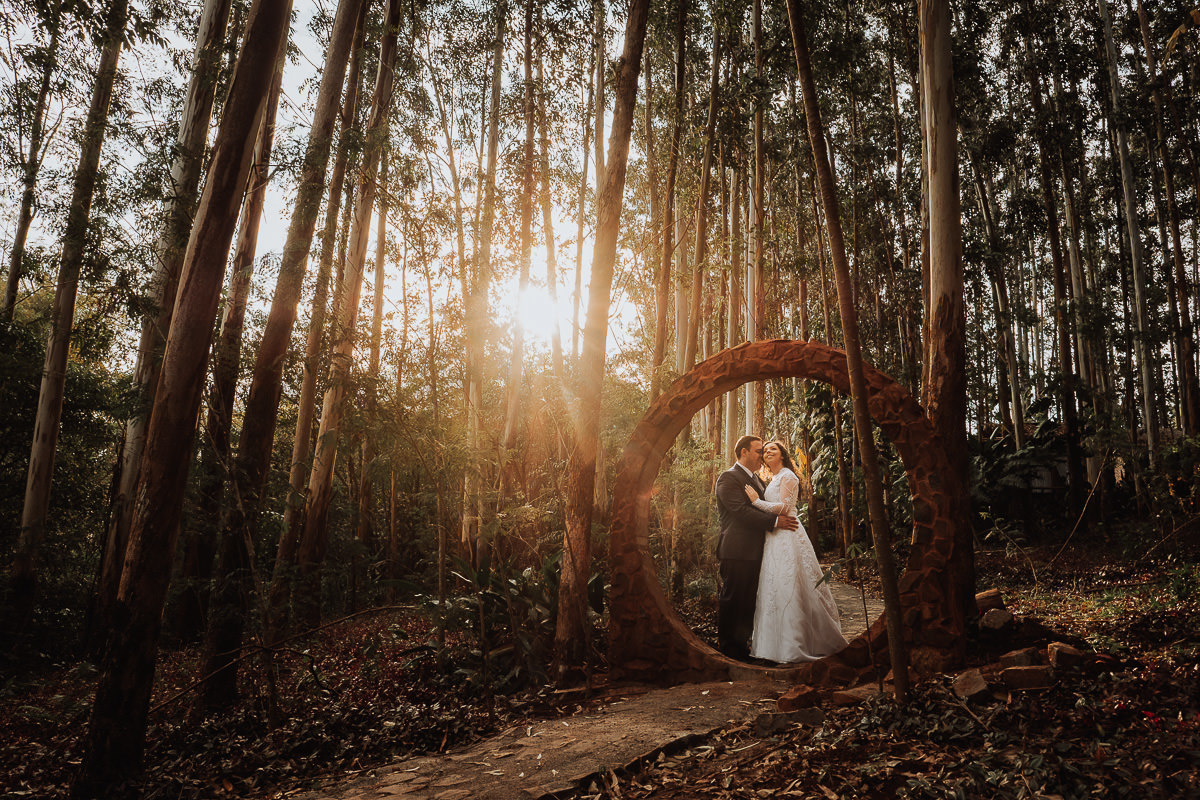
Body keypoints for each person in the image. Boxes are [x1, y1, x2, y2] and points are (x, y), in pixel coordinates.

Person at [744, 441, 845, 663]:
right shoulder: (774, 478)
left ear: (782, 455)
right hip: (774, 537)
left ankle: (797, 642)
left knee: (790, 582)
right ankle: (774, 645)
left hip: (788, 535)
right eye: (766, 450)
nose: (768, 452)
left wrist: (756, 502)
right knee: (774, 585)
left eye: (773, 449)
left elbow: (785, 508)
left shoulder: (788, 475)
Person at [714, 435, 799, 661]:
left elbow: (766, 506)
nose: (762, 456)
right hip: (736, 550)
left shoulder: (758, 481)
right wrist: (774, 522)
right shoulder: (728, 478)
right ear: (743, 452)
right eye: (758, 451)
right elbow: (739, 511)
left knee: (749, 601)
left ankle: (743, 648)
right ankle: (729, 651)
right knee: (733, 599)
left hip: (757, 550)